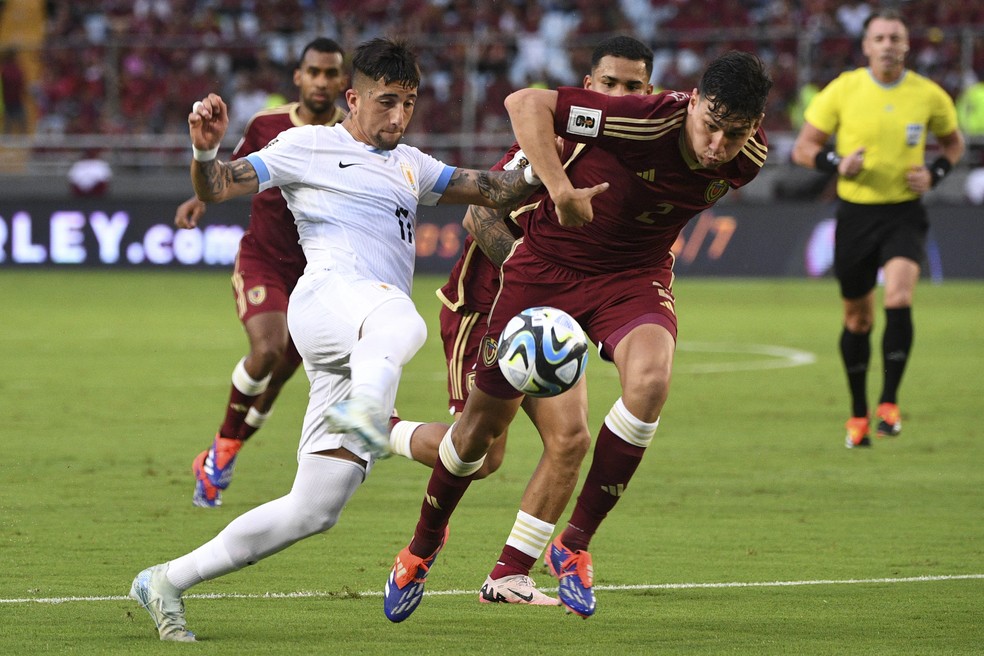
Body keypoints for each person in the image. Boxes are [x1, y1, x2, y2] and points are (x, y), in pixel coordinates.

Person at [128, 38, 540, 642]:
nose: (398, 116)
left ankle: (165, 580)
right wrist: (205, 148)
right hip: (327, 302)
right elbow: (217, 186)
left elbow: (496, 189)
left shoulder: (411, 164)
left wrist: (553, 163)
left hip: (362, 345)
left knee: (315, 508)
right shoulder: (307, 145)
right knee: (405, 319)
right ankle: (374, 418)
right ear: (354, 98)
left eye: (409, 103)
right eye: (386, 101)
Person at [383, 50, 772, 621]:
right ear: (692, 103)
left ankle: (569, 545)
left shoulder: (749, 158)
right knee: (479, 439)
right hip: (542, 274)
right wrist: (560, 188)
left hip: (631, 278)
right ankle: (422, 544)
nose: (717, 146)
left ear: (755, 127)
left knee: (644, 386)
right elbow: (524, 105)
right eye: (710, 126)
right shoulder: (631, 120)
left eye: (733, 134)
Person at [387, 35, 655, 606]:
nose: (619, 95)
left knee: (571, 439)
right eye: (609, 83)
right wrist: (536, 273)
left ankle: (509, 574)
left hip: (552, 319)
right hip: (484, 307)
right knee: (482, 455)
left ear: (648, 91)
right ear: (588, 87)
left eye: (632, 86)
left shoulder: (641, 154)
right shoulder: (553, 138)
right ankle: (378, 430)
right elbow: (477, 216)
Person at [173, 38, 348, 508]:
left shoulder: (351, 134)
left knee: (273, 387)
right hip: (264, 260)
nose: (322, 81)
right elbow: (231, 171)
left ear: (343, 81)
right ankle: (221, 456)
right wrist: (200, 197)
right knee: (268, 348)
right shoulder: (267, 125)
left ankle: (221, 452)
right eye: (314, 72)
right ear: (298, 77)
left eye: (331, 73)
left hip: (318, 276)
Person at [791, 9, 965, 448]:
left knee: (899, 296)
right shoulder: (843, 90)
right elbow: (803, 148)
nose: (888, 44)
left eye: (895, 37)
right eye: (880, 38)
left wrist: (936, 173)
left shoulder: (928, 95)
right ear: (866, 46)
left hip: (904, 213)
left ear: (906, 45)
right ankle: (858, 414)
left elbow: (953, 144)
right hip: (856, 215)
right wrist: (837, 162)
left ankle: (889, 403)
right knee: (858, 318)